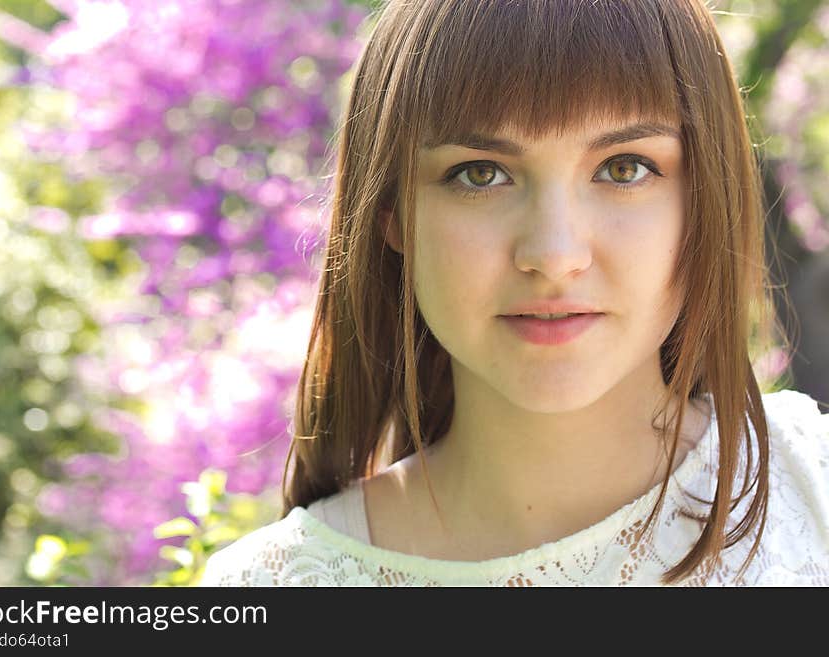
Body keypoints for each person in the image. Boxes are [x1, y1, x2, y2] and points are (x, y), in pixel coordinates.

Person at [201, 0, 829, 586]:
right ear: (391, 212)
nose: (554, 255)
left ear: (706, 198)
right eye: (481, 174)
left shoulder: (812, 494)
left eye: (624, 168)